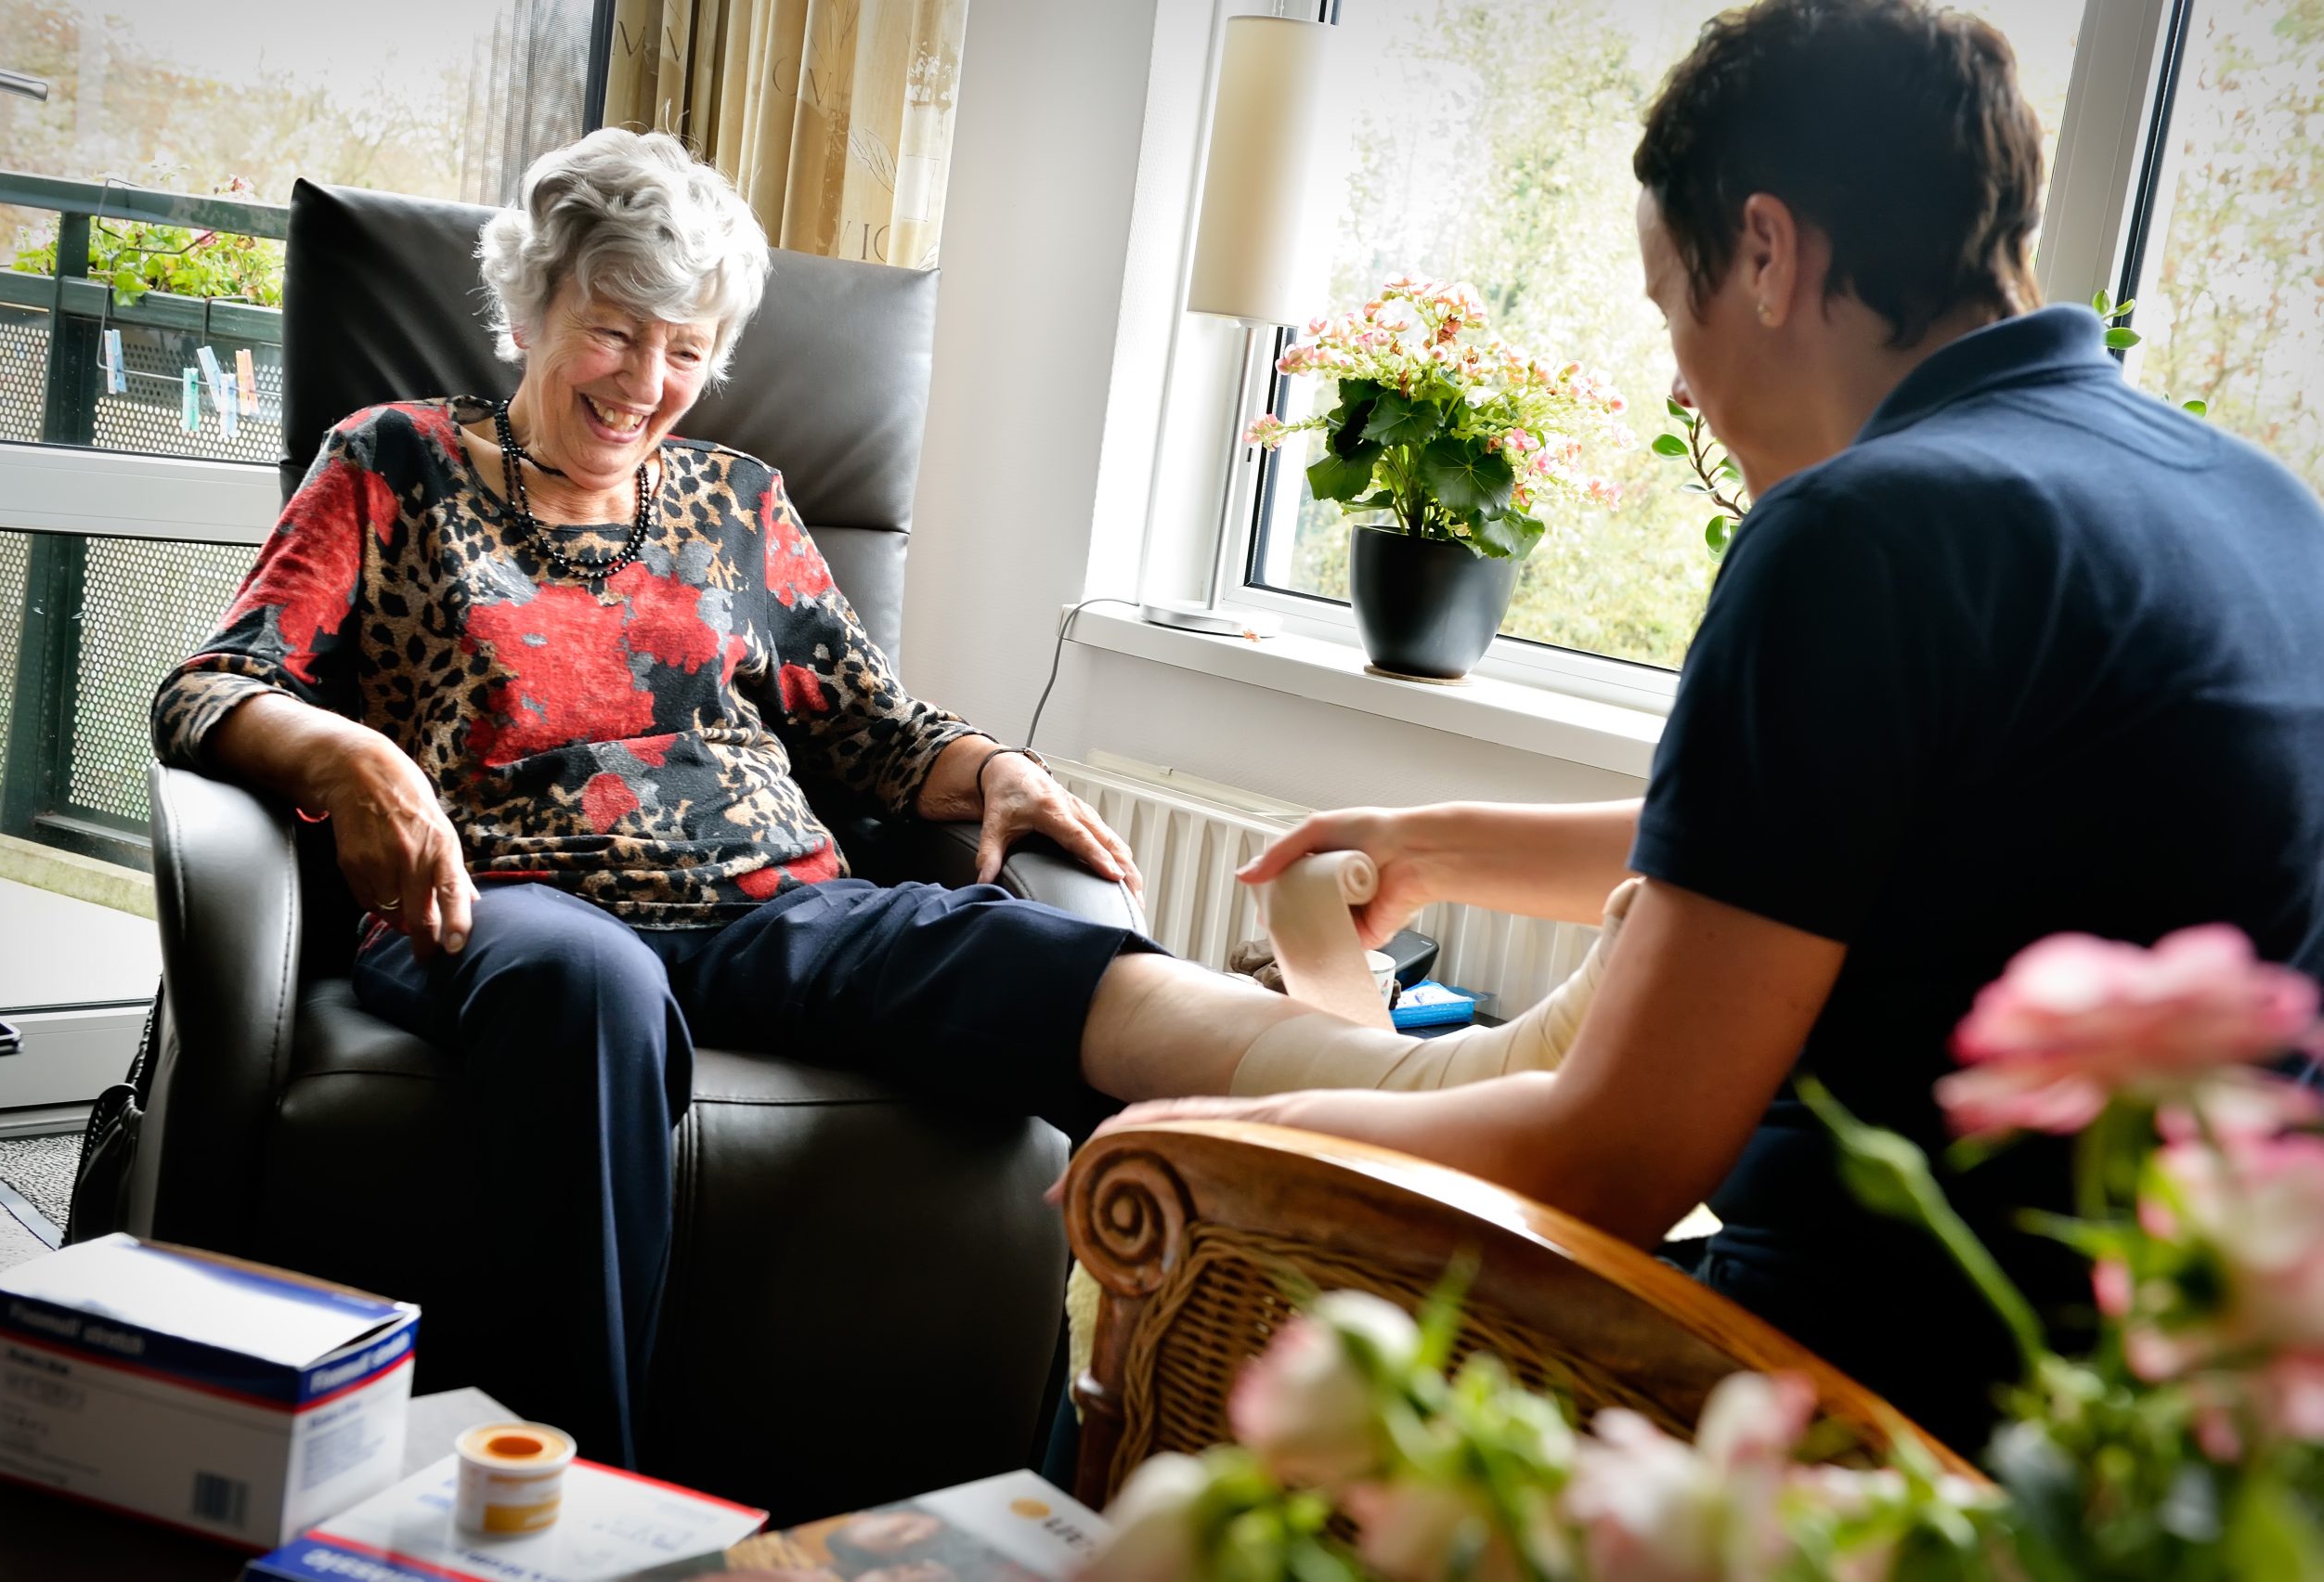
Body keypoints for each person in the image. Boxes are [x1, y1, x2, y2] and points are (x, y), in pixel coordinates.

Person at [151, 129, 1558, 1470]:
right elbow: (211, 686)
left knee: (1028, 953)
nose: (648, 380)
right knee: (590, 991)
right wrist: (348, 756)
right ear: (531, 304)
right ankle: (577, 1513)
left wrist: (999, 769)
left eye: (686, 349)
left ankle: (1410, 1105)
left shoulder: (740, 499)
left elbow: (878, 731)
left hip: (774, 905)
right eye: (615, 330)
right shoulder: (389, 464)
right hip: (518, 907)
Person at [1093, 0, 2324, 1455]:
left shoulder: (1863, 531)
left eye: (1670, 303)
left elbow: (1602, 1156)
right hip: (2183, 1412)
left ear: (1766, 250)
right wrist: (1439, 843)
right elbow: (1852, 842)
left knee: (1214, 1368)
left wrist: (1200, 1142)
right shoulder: (2252, 504)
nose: (1679, 376)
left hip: (1878, 1407)